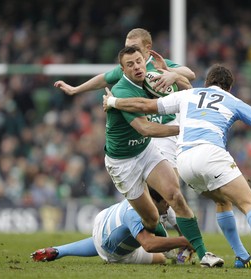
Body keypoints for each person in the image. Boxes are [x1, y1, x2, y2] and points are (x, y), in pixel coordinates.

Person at [103, 64, 251, 267]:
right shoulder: (232, 100)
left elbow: (145, 106)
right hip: (210, 154)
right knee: (247, 203)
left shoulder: (189, 94)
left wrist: (113, 101)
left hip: (184, 162)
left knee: (222, 202)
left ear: (207, 83)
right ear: (229, 88)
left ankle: (242, 256)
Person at [91, 45, 223, 268]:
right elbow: (145, 128)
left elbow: (187, 90)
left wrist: (172, 74)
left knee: (175, 195)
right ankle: (171, 247)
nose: (137, 67)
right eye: (130, 65)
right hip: (122, 162)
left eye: (139, 61)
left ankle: (203, 255)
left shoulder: (153, 80)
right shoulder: (123, 91)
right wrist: (184, 128)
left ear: (145, 60)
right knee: (152, 219)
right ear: (123, 70)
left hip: (146, 150)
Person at [54, 28, 194, 170]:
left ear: (147, 48)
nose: (130, 51)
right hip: (144, 135)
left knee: (170, 182)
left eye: (134, 47)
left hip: (165, 128)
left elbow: (190, 74)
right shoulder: (127, 69)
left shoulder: (158, 64)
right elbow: (103, 79)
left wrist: (172, 73)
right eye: (127, 47)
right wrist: (75, 89)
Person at [31, 188, 194, 264]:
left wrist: (183, 238)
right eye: (165, 201)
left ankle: (58, 251)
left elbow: (173, 220)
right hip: (112, 249)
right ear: (155, 200)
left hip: (103, 221)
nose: (168, 204)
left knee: (154, 230)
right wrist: (183, 241)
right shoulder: (136, 214)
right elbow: (148, 245)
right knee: (160, 259)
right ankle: (173, 255)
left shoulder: (145, 198)